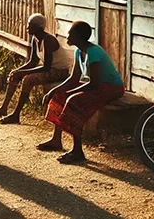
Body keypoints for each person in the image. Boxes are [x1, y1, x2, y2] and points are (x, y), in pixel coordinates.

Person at [39, 20, 124, 164]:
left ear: (78, 36)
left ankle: (77, 151)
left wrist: (72, 93)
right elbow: (73, 79)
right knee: (60, 96)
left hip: (112, 87)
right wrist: (53, 91)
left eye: (70, 33)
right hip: (98, 85)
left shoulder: (94, 52)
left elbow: (94, 83)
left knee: (74, 101)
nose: (67, 35)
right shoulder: (79, 51)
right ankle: (56, 140)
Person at [0, 13, 73, 124]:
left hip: (60, 71)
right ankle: (4, 108)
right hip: (50, 69)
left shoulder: (48, 40)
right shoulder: (35, 39)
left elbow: (46, 67)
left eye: (30, 25)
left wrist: (23, 73)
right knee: (15, 74)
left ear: (39, 28)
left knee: (28, 79)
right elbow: (32, 62)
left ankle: (16, 114)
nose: (27, 27)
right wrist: (18, 71)